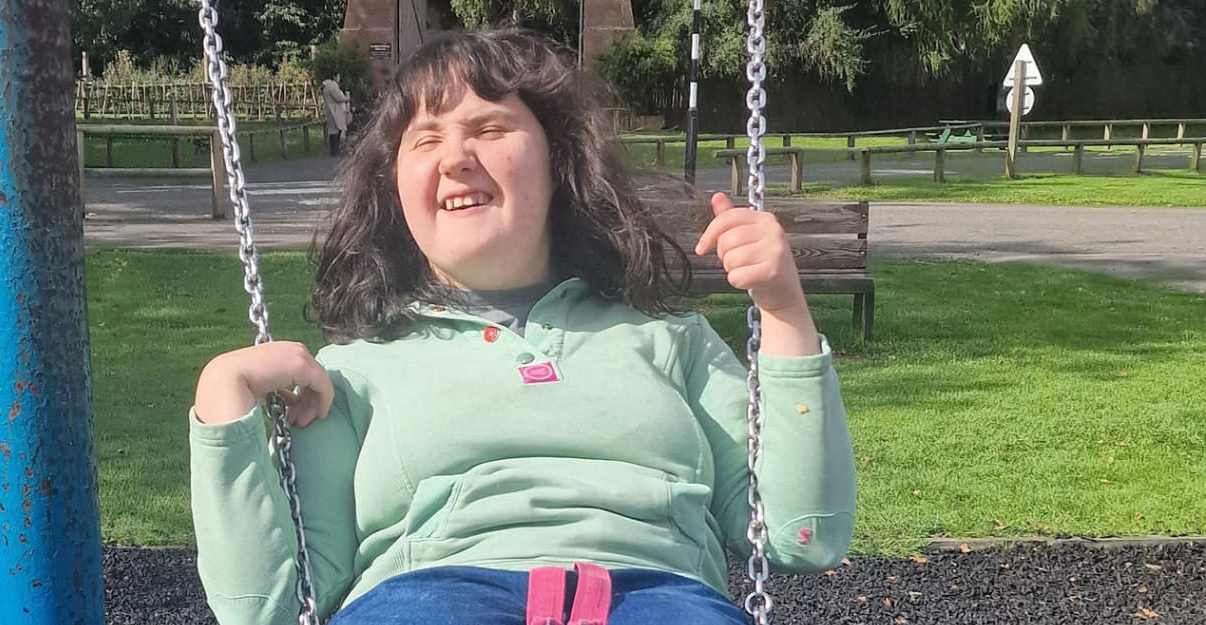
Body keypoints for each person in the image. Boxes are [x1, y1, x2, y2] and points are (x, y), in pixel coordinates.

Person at [190, 29, 856, 625]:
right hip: (428, 596)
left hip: (657, 594)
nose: (455, 157)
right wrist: (224, 398)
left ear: (558, 160)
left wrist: (784, 314)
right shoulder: (351, 375)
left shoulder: (668, 341)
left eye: (489, 128)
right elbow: (269, 605)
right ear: (394, 184)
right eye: (426, 139)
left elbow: (802, 534)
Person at [322, 72, 351, 156]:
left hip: (332, 109)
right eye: (338, 76)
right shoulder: (332, 86)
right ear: (334, 77)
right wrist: (346, 98)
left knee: (334, 129)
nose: (339, 78)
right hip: (334, 110)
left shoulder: (329, 86)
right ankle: (334, 150)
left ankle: (334, 150)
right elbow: (338, 97)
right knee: (335, 129)